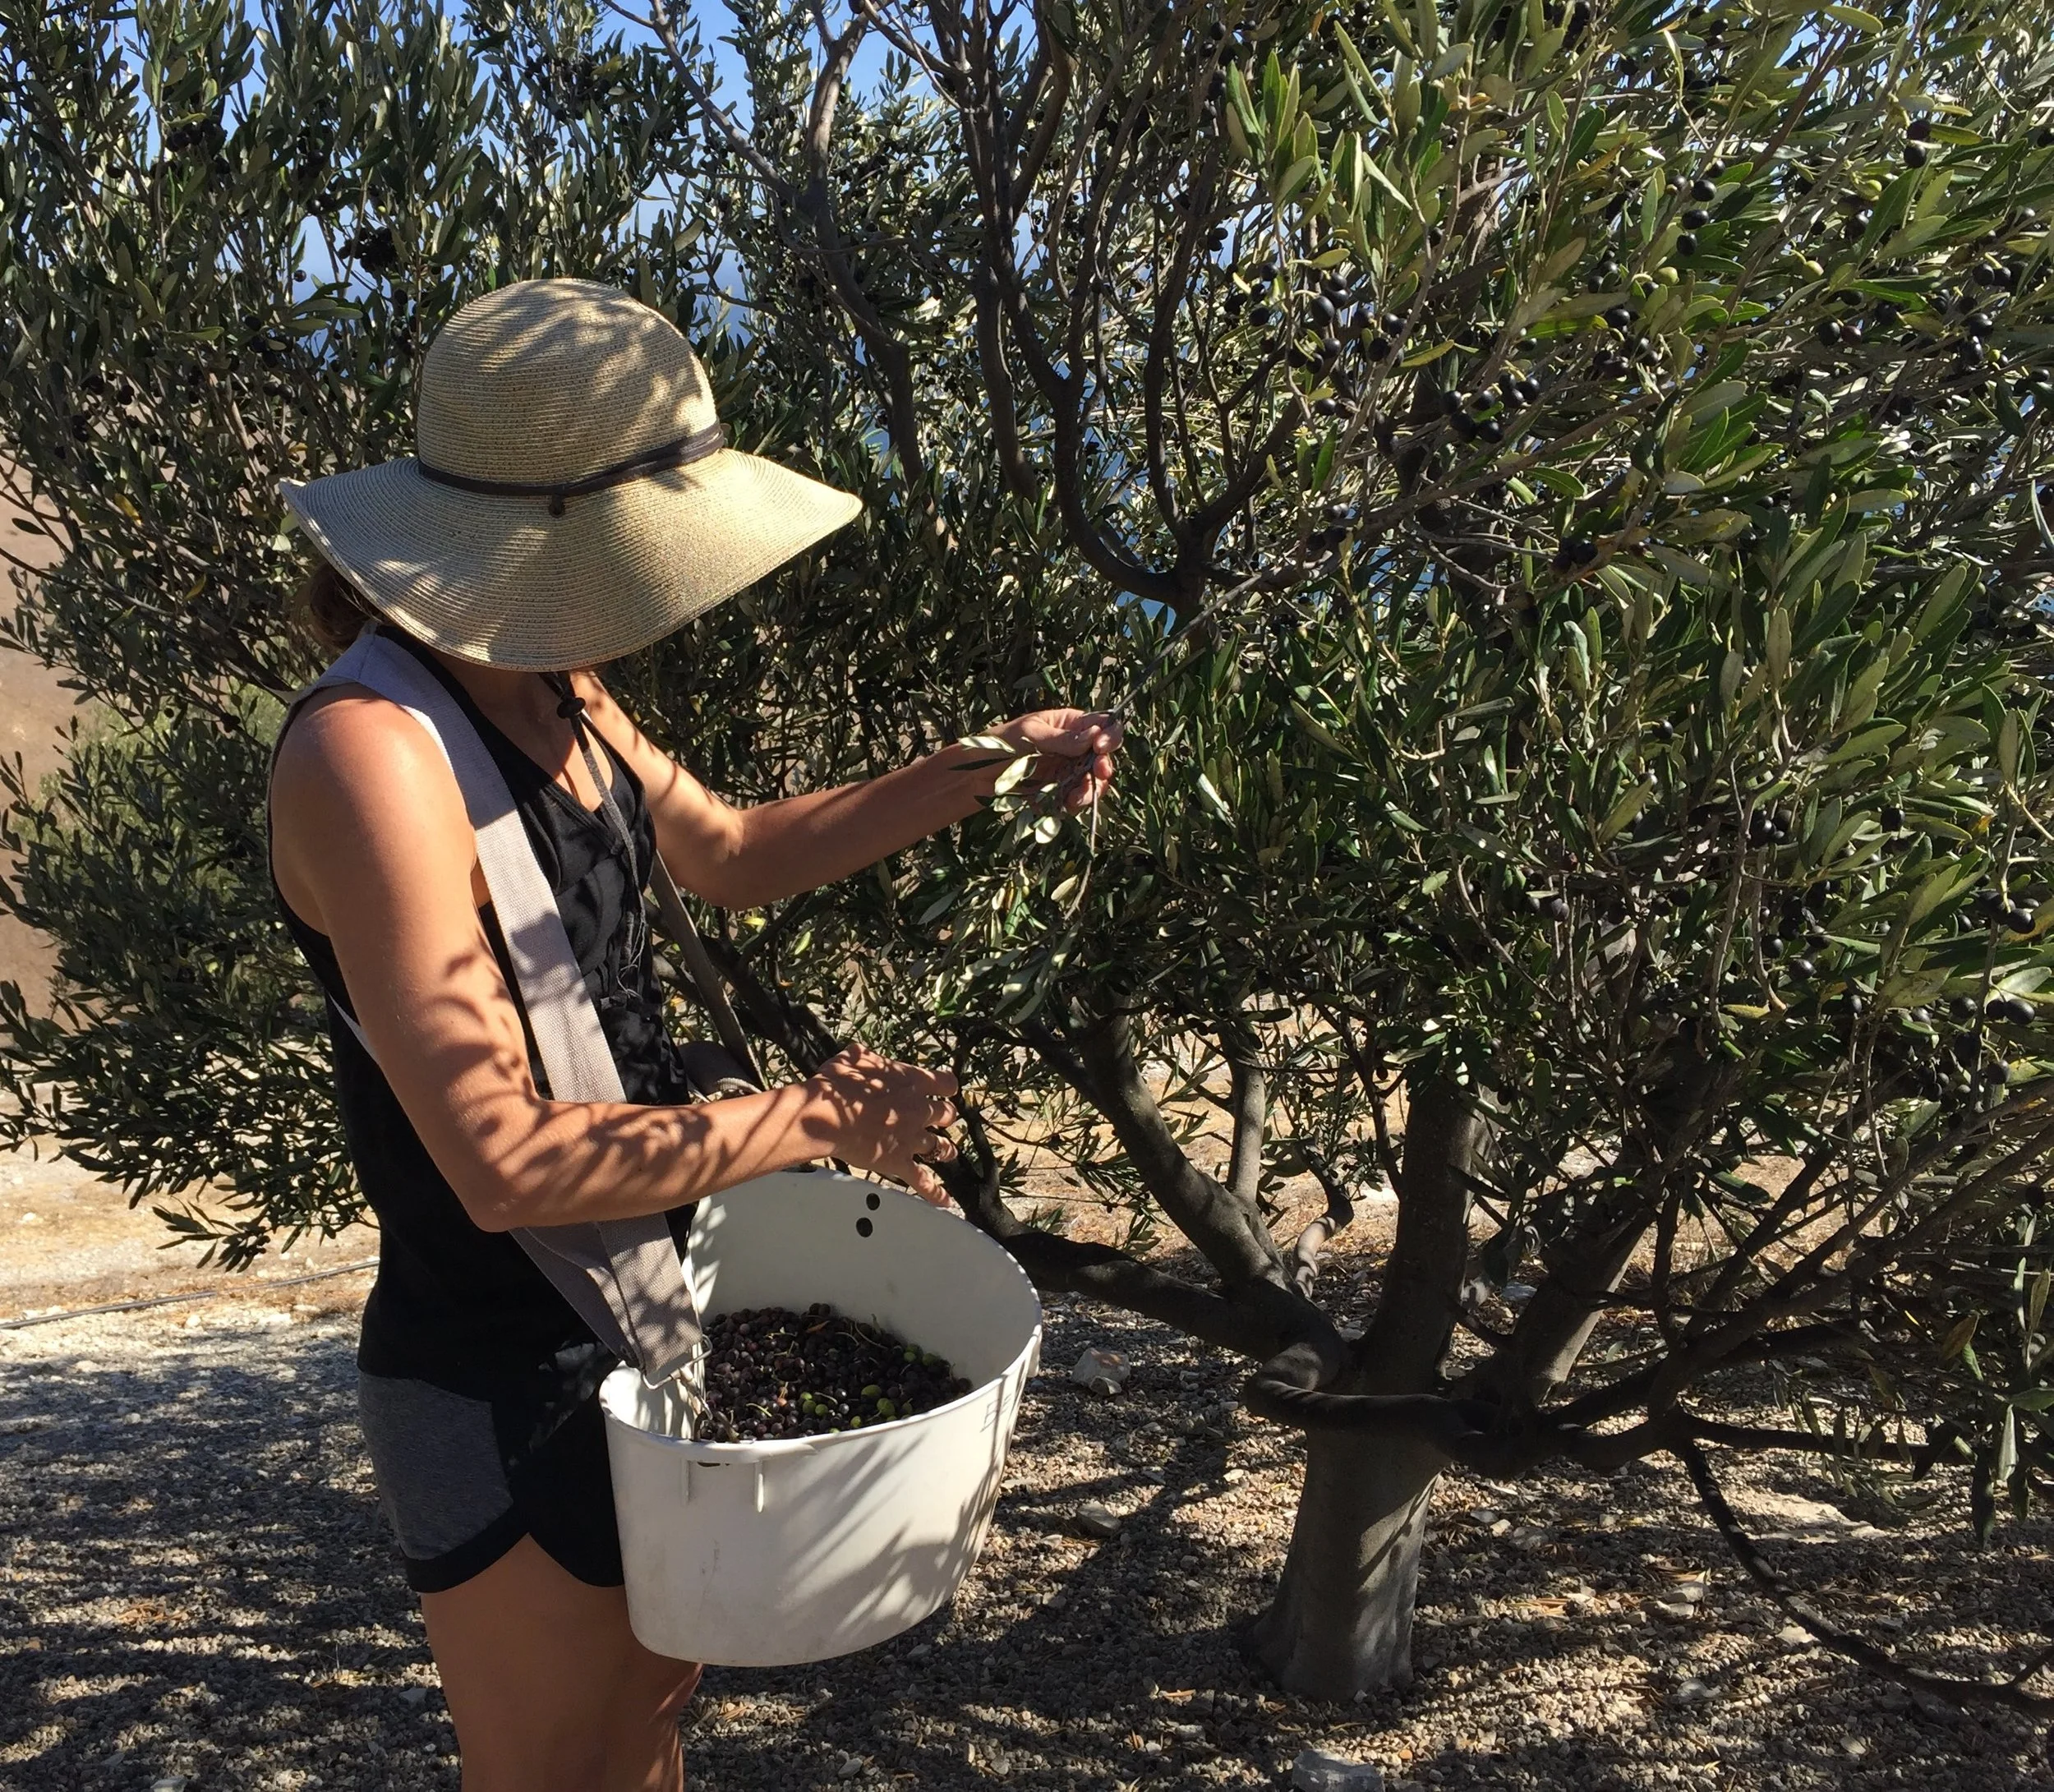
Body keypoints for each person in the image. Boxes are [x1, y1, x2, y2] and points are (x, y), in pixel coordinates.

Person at [266, 278, 1121, 1791]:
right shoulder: (370, 757)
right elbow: (504, 1165)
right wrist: (822, 1121)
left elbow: (728, 850)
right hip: (498, 1356)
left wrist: (984, 765)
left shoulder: (554, 687)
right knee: (545, 1768)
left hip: (650, 1304)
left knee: (649, 1728)